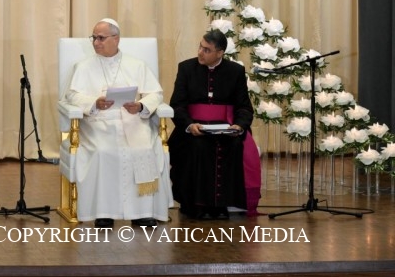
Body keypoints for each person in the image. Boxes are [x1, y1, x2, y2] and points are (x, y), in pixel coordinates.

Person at [62, 18, 171, 227]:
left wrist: (140, 106)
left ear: (116, 39)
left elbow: (155, 93)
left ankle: (143, 212)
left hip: (133, 121)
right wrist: (94, 102)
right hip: (98, 124)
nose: (96, 42)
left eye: (101, 38)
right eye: (94, 38)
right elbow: (72, 95)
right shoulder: (83, 67)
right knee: (103, 151)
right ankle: (104, 212)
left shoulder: (137, 65)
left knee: (144, 148)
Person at [168, 29, 262, 219]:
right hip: (192, 128)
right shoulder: (186, 68)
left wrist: (239, 126)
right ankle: (194, 205)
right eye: (200, 47)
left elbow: (244, 107)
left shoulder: (235, 71)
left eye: (207, 50)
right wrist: (189, 125)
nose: (200, 52)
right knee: (198, 145)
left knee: (234, 145)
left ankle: (221, 205)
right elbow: (177, 105)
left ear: (220, 53)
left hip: (225, 128)